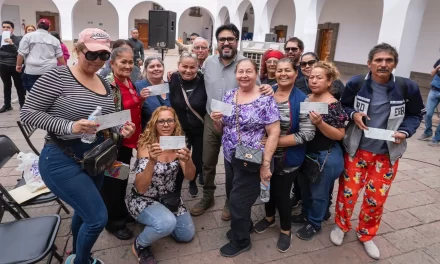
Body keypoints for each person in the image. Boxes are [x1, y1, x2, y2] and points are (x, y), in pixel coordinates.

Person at [20, 28, 136, 264]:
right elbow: (27, 114)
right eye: (91, 54)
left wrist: (120, 129)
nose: (97, 61)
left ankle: (76, 251)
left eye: (103, 56)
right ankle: (82, 261)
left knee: (86, 213)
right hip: (62, 159)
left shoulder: (103, 82)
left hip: (94, 158)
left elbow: (106, 119)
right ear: (78, 50)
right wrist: (70, 126)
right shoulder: (57, 77)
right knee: (97, 218)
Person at [331, 43, 425, 260]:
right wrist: (354, 113)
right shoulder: (356, 84)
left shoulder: (406, 87)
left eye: (388, 60)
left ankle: (366, 234)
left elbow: (415, 115)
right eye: (378, 60)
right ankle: (341, 226)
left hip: (387, 154)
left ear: (395, 64)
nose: (383, 64)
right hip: (357, 150)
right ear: (369, 63)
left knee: (376, 198)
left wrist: (405, 131)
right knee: (348, 193)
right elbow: (342, 106)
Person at [190, 23, 273, 220]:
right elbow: (194, 79)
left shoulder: (244, 64)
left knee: (234, 164)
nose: (226, 43)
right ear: (217, 43)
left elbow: (258, 90)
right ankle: (208, 196)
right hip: (212, 120)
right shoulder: (208, 62)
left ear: (236, 41)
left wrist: (269, 89)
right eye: (222, 39)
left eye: (230, 39)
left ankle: (230, 200)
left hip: (238, 125)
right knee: (208, 162)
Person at [210, 58, 280, 257]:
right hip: (232, 157)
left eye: (248, 71)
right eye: (240, 71)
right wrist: (217, 122)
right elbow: (223, 127)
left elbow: (274, 132)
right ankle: (245, 226)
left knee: (238, 201)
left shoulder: (266, 98)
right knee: (234, 194)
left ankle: (242, 241)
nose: (244, 75)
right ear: (236, 74)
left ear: (256, 73)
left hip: (253, 159)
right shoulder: (230, 95)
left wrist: (266, 164)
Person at [253, 58, 314, 252]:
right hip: (262, 156)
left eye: (288, 70)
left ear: (296, 74)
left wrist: (273, 140)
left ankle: (285, 229)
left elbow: (307, 133)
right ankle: (269, 218)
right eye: (279, 70)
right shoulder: (266, 92)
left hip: (288, 158)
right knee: (266, 188)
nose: (283, 74)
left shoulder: (303, 99)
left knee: (281, 194)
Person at [127, 106, 196, 264]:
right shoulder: (146, 144)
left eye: (169, 120)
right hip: (144, 199)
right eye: (161, 121)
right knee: (166, 223)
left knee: (186, 235)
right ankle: (140, 245)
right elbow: (141, 188)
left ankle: (160, 222)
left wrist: (188, 160)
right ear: (154, 124)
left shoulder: (178, 142)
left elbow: (190, 175)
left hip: (169, 198)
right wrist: (151, 161)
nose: (166, 124)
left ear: (175, 123)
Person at [291, 61, 347, 241]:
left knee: (319, 194)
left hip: (325, 156)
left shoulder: (333, 104)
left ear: (329, 81)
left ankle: (315, 223)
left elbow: (339, 135)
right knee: (305, 189)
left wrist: (320, 123)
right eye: (311, 77)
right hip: (305, 154)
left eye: (319, 78)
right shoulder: (307, 99)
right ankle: (306, 214)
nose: (313, 81)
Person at [100, 47, 148, 240]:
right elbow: (100, 118)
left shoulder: (129, 82)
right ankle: (114, 223)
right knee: (113, 183)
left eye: (131, 62)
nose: (128, 66)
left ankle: (120, 211)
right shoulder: (107, 86)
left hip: (128, 142)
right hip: (115, 145)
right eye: (123, 62)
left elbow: (133, 108)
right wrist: (118, 130)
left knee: (121, 180)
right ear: (112, 64)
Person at [169, 52, 207, 198]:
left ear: (198, 67)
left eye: (192, 67)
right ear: (178, 66)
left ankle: (192, 180)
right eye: (184, 66)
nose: (188, 70)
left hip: (199, 128)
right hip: (180, 128)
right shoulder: (173, 78)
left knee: (197, 157)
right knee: (179, 156)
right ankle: (176, 188)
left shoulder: (204, 80)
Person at [17, 18, 66, 92]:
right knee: (48, 92)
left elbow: (21, 54)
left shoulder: (28, 36)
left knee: (33, 92)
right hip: (50, 71)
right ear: (49, 28)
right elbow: (60, 56)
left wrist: (18, 65)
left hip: (32, 70)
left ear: (37, 26)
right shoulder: (54, 40)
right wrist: (64, 69)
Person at [135, 56, 171, 130]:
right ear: (145, 70)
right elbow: (134, 112)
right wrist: (141, 100)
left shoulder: (171, 85)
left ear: (163, 68)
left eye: (159, 66)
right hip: (149, 135)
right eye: (152, 67)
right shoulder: (138, 87)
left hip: (171, 134)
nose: (156, 69)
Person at [0, 21, 25, 113]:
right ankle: (7, 105)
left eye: (8, 27)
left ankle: (22, 105)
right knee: (6, 85)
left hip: (15, 66)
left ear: (12, 29)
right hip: (2, 66)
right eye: (4, 27)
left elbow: (19, 53)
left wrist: (12, 44)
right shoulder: (0, 39)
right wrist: (9, 54)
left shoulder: (18, 39)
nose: (6, 29)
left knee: (19, 86)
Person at [418, 58, 440, 146]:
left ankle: (437, 138)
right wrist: (437, 68)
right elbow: (432, 73)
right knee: (427, 113)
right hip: (434, 91)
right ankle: (428, 132)